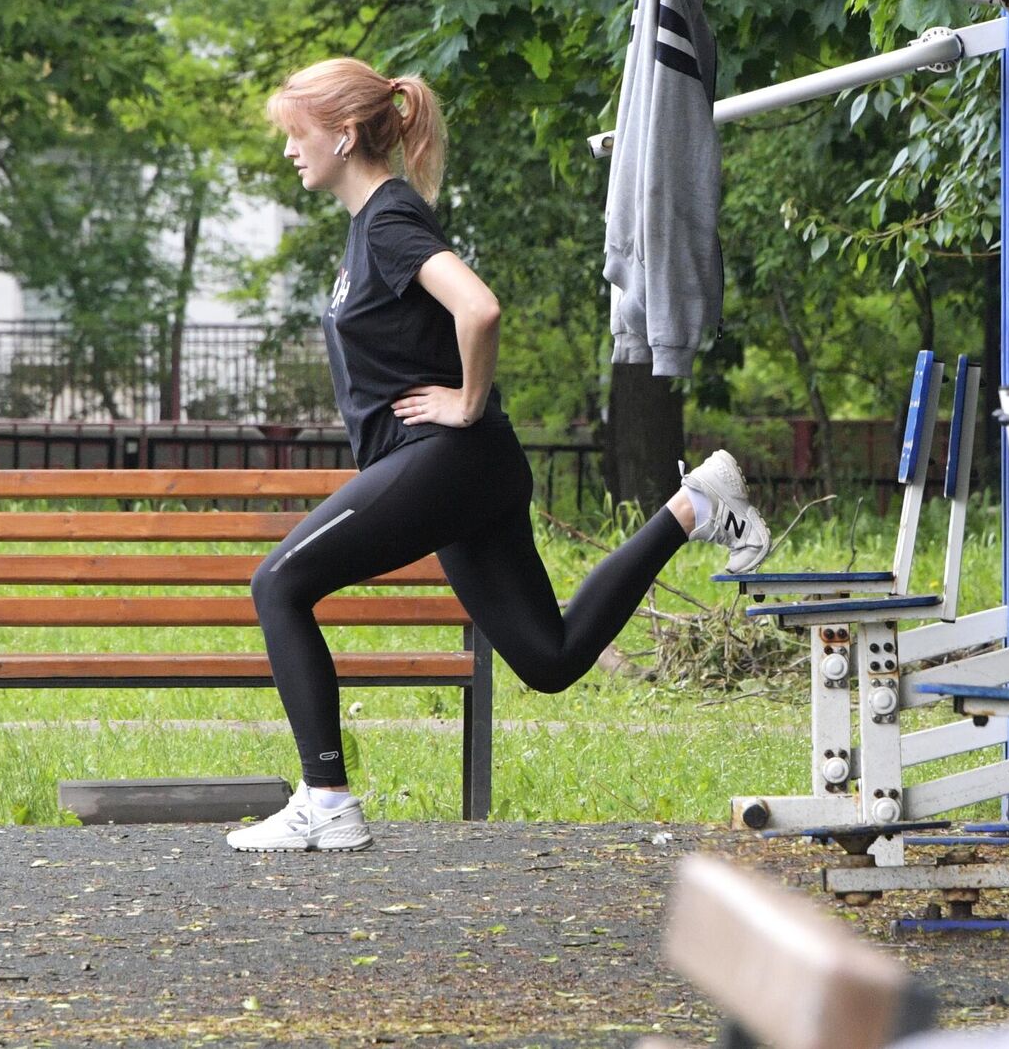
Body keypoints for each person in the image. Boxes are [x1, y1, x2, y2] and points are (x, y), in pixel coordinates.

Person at [227, 57, 768, 853]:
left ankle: (327, 798)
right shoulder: (373, 221)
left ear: (344, 136)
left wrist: (466, 401)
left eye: (295, 134)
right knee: (548, 659)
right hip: (467, 469)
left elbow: (478, 308)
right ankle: (695, 507)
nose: (287, 151)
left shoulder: (387, 221)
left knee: (277, 584)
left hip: (447, 457)